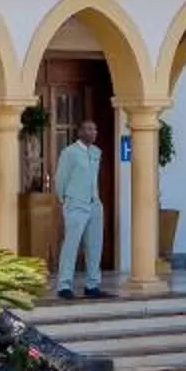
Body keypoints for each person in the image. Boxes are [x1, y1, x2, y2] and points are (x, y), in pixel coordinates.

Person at [52, 118, 110, 299]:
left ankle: (92, 285)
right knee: (71, 245)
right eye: (88, 129)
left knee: (95, 246)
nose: (92, 133)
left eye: (94, 130)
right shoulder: (69, 153)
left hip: (94, 204)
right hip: (75, 204)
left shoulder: (96, 152)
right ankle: (64, 285)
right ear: (80, 132)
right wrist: (64, 200)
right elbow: (60, 178)